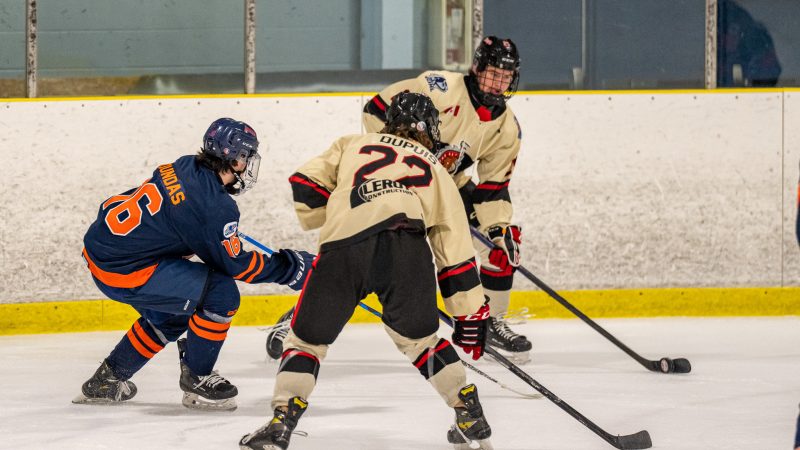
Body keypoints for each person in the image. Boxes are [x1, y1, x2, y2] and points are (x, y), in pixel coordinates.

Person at [240, 92, 494, 450]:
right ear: (425, 129)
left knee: (306, 341)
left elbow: (305, 186)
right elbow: (454, 249)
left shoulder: (353, 143)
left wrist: (349, 206)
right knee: (421, 341)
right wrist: (469, 314)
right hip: (407, 247)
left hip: (346, 245)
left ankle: (282, 422)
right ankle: (465, 406)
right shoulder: (436, 170)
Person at [267, 35, 531, 363]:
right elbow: (376, 109)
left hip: (443, 184)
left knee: (501, 247)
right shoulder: (439, 88)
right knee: (360, 253)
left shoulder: (507, 129)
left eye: (505, 77)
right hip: (398, 179)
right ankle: (298, 318)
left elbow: (493, 188)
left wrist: (498, 229)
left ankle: (490, 320)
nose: (498, 83)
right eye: (493, 74)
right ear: (476, 69)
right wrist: (405, 155)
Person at [74, 118, 314, 411]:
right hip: (124, 269)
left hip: (103, 252)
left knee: (173, 313)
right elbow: (236, 265)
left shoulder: (186, 165)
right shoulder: (213, 207)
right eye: (246, 156)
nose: (247, 163)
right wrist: (292, 268)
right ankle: (198, 379)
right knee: (220, 295)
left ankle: (107, 380)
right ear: (235, 158)